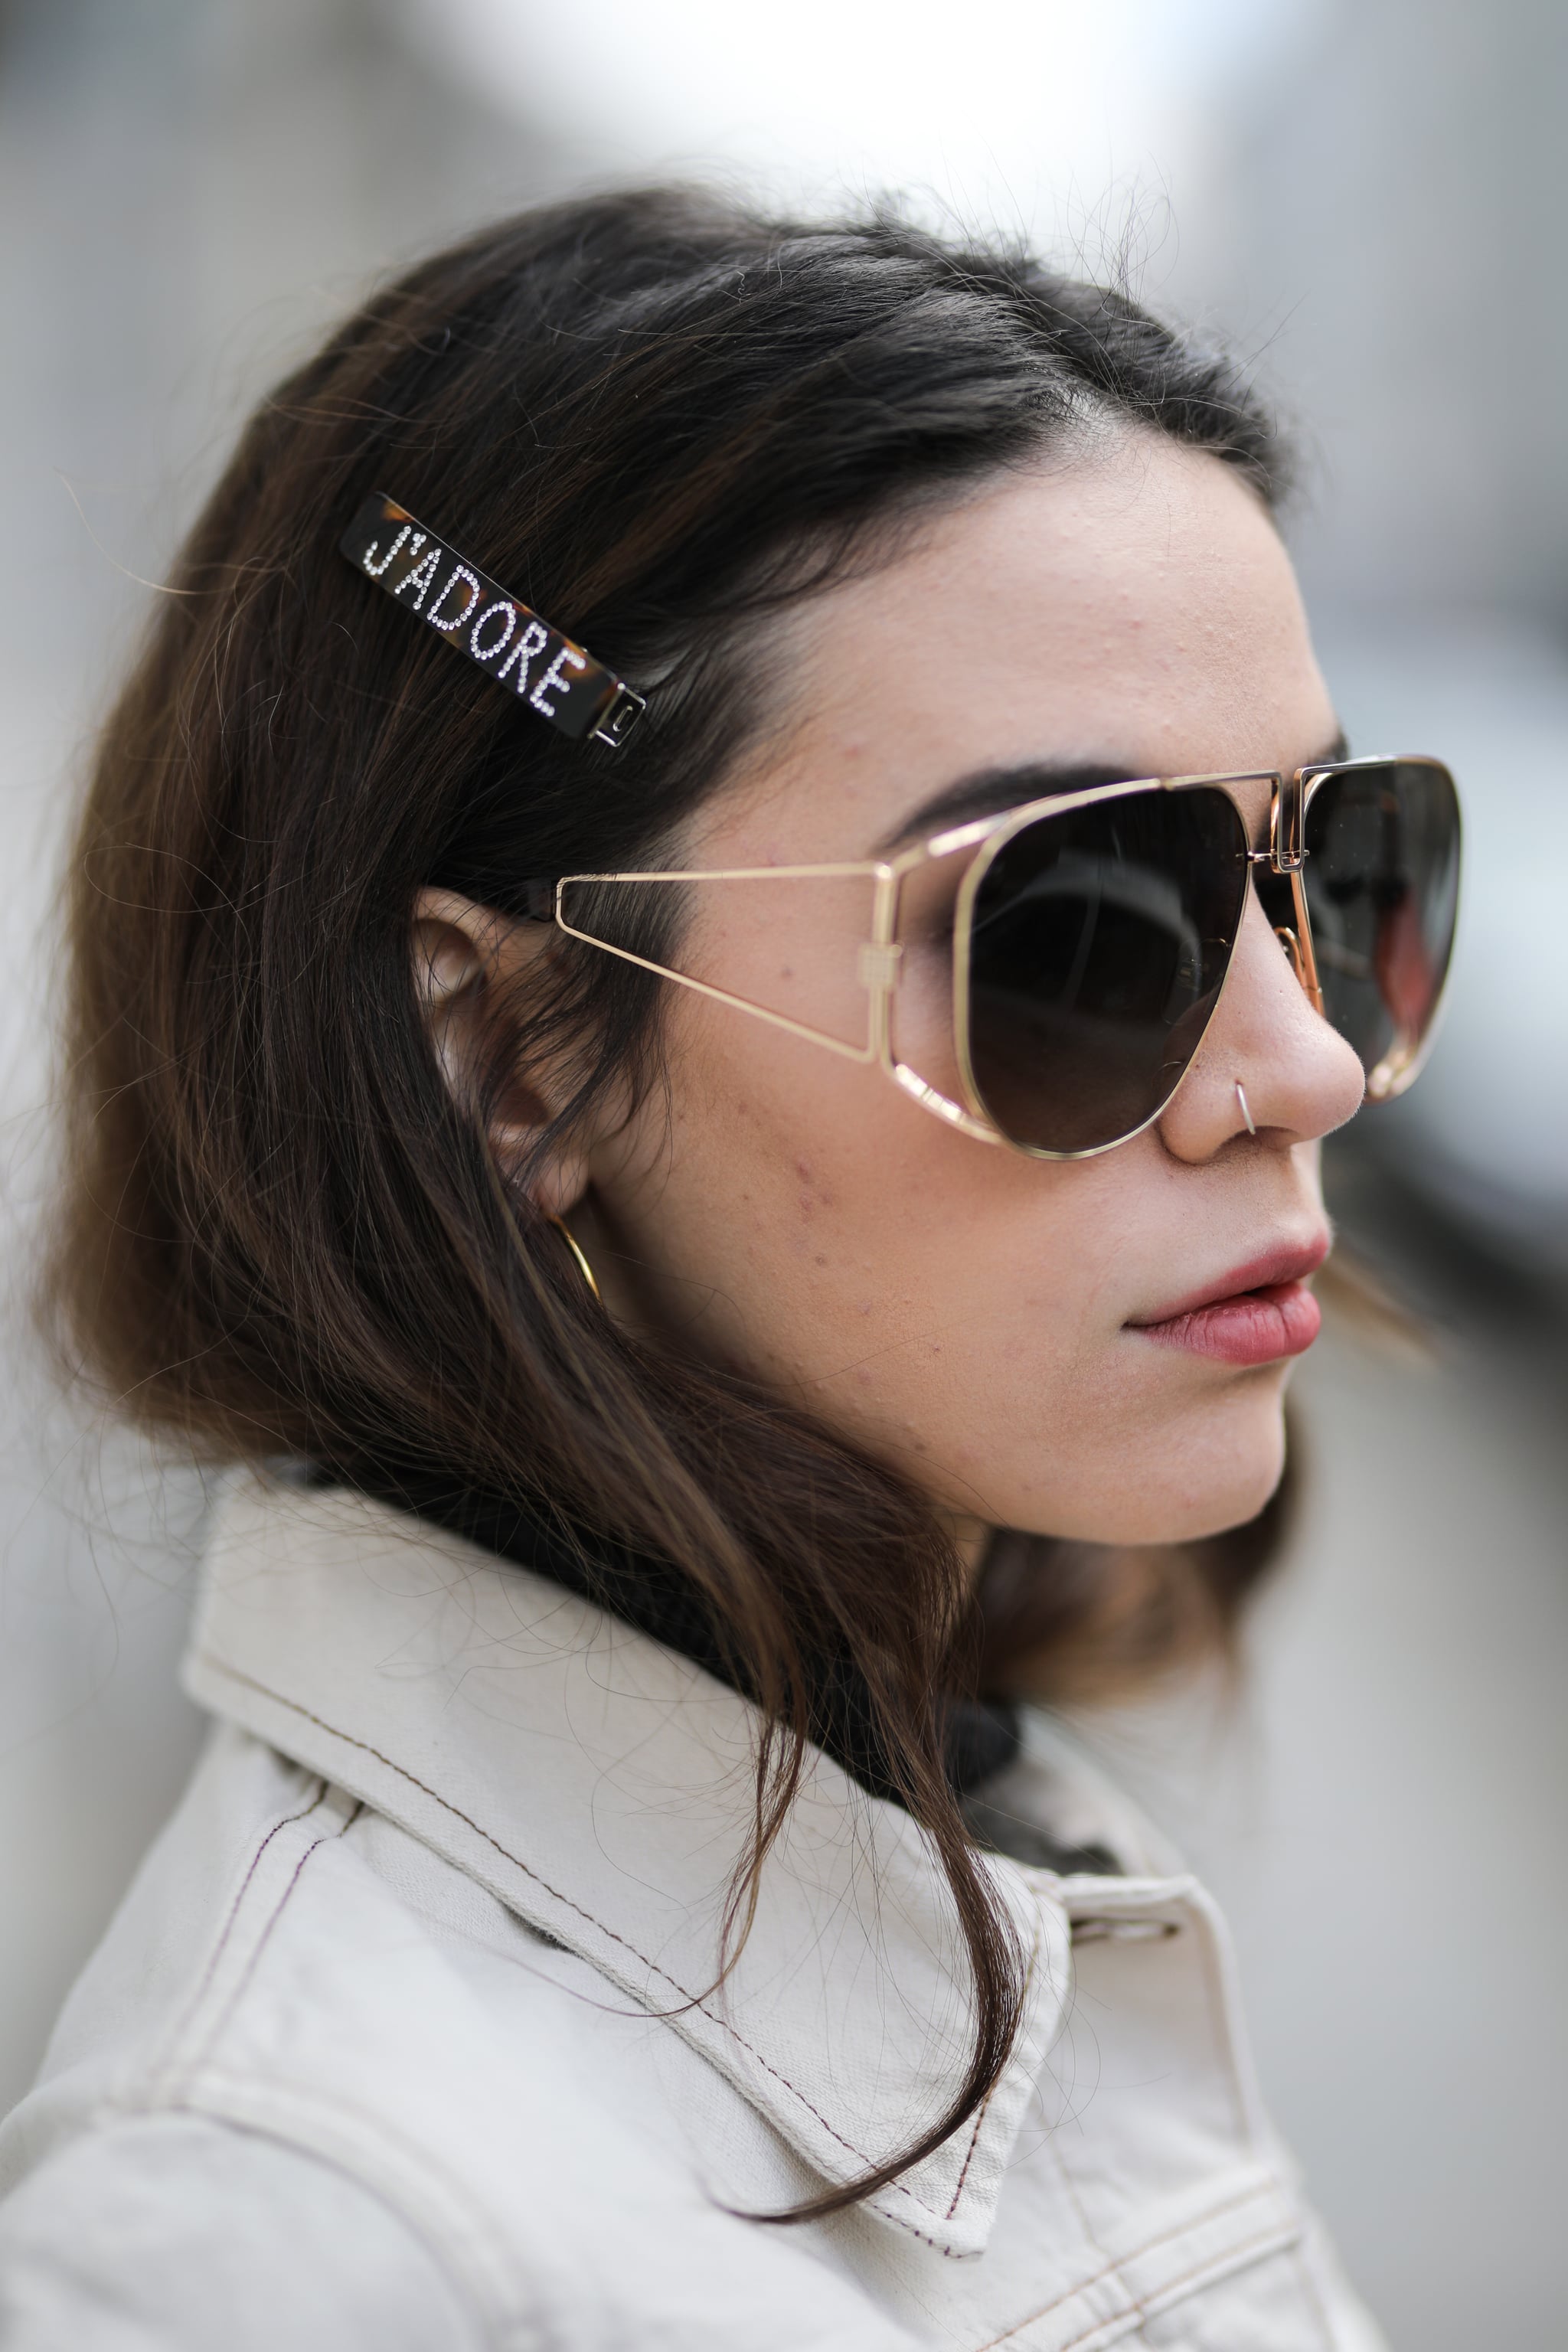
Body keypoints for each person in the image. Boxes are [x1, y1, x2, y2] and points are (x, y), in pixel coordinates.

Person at [0, 189, 1460, 2349]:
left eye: (1329, 872)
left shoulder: (949, 1788)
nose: (1309, 1061)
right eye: (1078, 930)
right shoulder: (282, 2250)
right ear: (509, 1050)